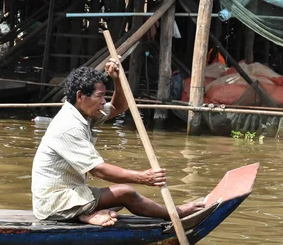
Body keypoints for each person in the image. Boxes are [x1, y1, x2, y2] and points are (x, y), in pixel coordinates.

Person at [31, 59, 204, 226]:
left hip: (70, 192)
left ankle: (85, 213)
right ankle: (177, 212)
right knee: (126, 192)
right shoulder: (69, 126)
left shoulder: (83, 114)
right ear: (80, 96)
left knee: (119, 200)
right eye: (99, 96)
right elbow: (98, 170)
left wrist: (118, 80)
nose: (103, 101)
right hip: (54, 202)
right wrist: (143, 177)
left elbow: (118, 107)